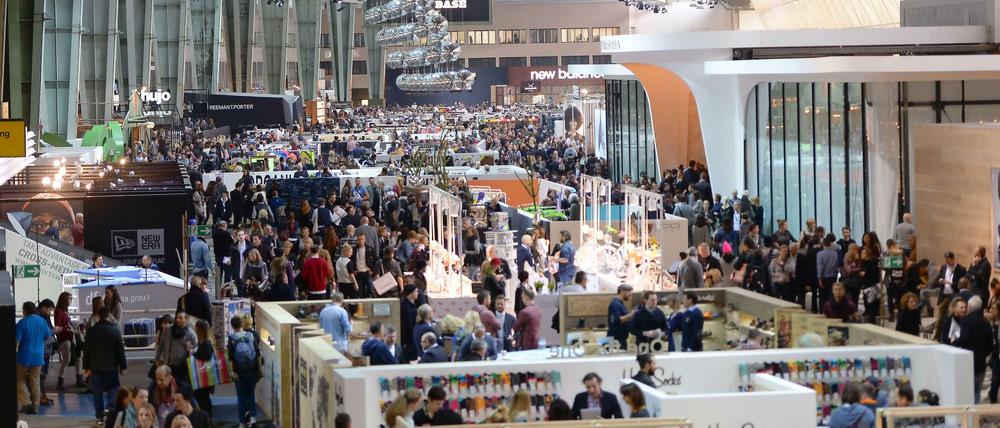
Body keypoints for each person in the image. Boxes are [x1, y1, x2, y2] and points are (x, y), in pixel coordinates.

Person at [83, 306, 128, 421]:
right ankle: (110, 408)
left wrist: (86, 367)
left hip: (95, 367)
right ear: (109, 316)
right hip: (111, 367)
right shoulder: (115, 330)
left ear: (97, 316)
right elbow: (120, 350)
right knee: (113, 388)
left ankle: (99, 417)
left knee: (97, 392)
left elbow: (86, 351)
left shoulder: (91, 331)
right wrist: (123, 366)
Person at [955, 297, 992, 403]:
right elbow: (990, 345)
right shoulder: (986, 323)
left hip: (968, 361)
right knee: (976, 391)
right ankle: (976, 416)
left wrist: (953, 343)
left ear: (969, 307)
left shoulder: (966, 320)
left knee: (966, 390)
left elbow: (963, 338)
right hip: (980, 362)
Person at [16, 301, 49, 414]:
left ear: (25, 311)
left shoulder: (22, 323)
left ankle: (26, 403)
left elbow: (17, 343)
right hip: (38, 356)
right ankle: (35, 406)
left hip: (24, 356)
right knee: (35, 381)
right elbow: (48, 337)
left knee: (18, 379)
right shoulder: (42, 321)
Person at [228, 316, 260, 425]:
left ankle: (242, 421)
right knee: (251, 395)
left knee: (241, 396)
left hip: (239, 372)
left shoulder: (232, 338)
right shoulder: (251, 335)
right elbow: (257, 354)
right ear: (242, 324)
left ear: (232, 326)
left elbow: (231, 357)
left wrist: (232, 372)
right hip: (252, 371)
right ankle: (253, 418)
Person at [154, 311, 197, 383]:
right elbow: (161, 344)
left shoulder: (191, 334)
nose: (177, 320)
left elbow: (196, 348)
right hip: (168, 365)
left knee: (181, 388)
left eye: (180, 318)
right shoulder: (168, 330)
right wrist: (156, 359)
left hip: (183, 367)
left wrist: (191, 353)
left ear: (186, 319)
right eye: (177, 317)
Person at [54, 292, 80, 390]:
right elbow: (58, 326)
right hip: (65, 339)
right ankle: (60, 382)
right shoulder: (59, 311)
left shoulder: (65, 311)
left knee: (77, 357)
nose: (71, 301)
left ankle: (78, 379)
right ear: (64, 300)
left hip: (69, 337)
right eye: (69, 299)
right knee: (66, 360)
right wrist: (70, 329)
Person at [190, 320, 216, 416]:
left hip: (203, 377)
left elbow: (205, 356)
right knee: (204, 401)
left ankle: (207, 421)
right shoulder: (208, 342)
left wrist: (193, 354)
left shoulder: (205, 343)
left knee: (203, 401)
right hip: (206, 376)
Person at [607, 284, 635, 349]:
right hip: (616, 341)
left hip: (621, 339)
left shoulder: (620, 304)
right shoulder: (615, 304)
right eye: (629, 292)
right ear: (622, 291)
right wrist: (632, 315)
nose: (630, 294)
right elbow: (617, 320)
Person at [400, 284, 421, 362]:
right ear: (411, 293)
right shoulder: (406, 307)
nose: (417, 293)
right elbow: (408, 325)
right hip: (409, 340)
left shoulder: (411, 304)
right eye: (416, 291)